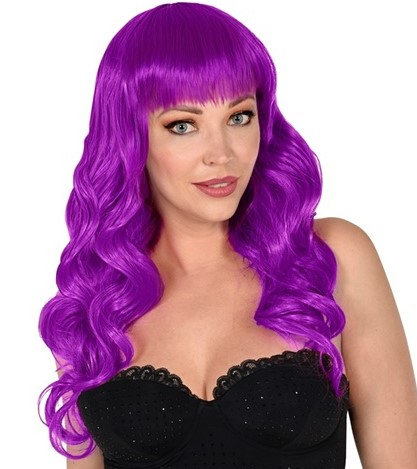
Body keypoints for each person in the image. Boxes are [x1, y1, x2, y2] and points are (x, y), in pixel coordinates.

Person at [38, 2, 417, 468]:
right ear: (131, 138)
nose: (221, 153)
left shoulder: (329, 258)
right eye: (183, 125)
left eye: (239, 116)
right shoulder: (94, 302)